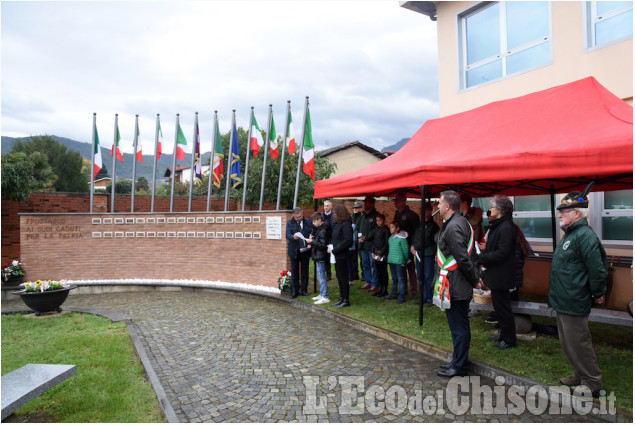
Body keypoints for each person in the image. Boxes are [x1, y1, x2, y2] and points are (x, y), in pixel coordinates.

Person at [549, 191, 607, 398]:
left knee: (579, 343)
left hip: (574, 299)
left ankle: (592, 384)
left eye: (564, 211)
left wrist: (599, 292)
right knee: (568, 343)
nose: (560, 215)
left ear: (578, 214)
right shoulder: (572, 234)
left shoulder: (584, 236)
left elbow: (597, 269)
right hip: (564, 299)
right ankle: (579, 374)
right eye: (561, 211)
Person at [435, 190, 480, 378]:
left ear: (447, 206)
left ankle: (460, 366)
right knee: (457, 327)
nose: (437, 206)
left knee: (459, 327)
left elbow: (462, 257)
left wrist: (475, 279)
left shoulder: (454, 226)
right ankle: (457, 360)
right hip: (455, 282)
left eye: (439, 203)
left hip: (457, 284)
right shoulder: (457, 222)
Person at [477, 195, 517, 349]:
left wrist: (482, 257)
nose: (489, 209)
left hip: (502, 274)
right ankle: (504, 334)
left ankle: (509, 340)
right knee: (499, 307)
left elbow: (502, 253)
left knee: (503, 308)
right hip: (496, 273)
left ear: (499, 210)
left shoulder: (506, 227)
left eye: (492, 206)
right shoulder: (498, 225)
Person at [460, 193, 484, 318]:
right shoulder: (459, 216)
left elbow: (474, 231)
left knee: (475, 276)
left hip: (474, 252)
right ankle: (468, 304)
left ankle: (476, 307)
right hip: (464, 251)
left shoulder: (474, 215)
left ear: (464, 202)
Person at [412, 202, 439, 306]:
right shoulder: (420, 224)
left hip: (428, 254)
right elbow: (415, 236)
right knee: (420, 275)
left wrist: (416, 246)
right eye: (421, 210)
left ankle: (430, 298)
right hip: (419, 254)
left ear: (430, 211)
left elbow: (426, 239)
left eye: (425, 210)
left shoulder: (433, 226)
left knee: (428, 276)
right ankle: (423, 296)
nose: (422, 212)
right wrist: (413, 245)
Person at [393, 193, 420, 298]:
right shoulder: (397, 214)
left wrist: (413, 245)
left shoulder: (411, 215)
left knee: (410, 268)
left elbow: (416, 232)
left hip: (408, 245)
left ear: (403, 201)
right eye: (395, 200)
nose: (395, 202)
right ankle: (403, 289)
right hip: (398, 246)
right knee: (401, 267)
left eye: (398, 200)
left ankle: (414, 291)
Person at [328, 204, 354, 308]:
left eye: (335, 213)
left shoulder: (346, 224)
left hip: (342, 254)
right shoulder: (338, 224)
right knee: (339, 277)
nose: (333, 214)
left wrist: (335, 249)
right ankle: (341, 297)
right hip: (337, 254)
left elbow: (348, 240)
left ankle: (346, 300)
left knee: (343, 278)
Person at [285, 207, 312, 298]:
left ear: (302, 213)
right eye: (296, 217)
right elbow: (287, 235)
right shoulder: (290, 223)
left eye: (300, 217)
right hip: (294, 251)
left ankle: (304, 290)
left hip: (305, 251)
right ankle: (294, 291)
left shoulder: (308, 222)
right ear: (293, 216)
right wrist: (293, 237)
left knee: (305, 271)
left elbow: (312, 233)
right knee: (294, 271)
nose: (298, 219)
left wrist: (310, 242)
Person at [307, 212, 330, 305]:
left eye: (314, 221)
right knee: (319, 276)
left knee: (321, 276)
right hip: (318, 255)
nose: (313, 223)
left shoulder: (323, 230)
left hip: (321, 256)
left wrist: (312, 242)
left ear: (319, 220)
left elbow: (323, 245)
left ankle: (325, 296)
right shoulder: (318, 229)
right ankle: (322, 293)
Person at [358, 195, 379, 292]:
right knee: (365, 265)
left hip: (371, 245)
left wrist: (367, 237)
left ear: (372, 203)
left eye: (367, 202)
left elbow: (376, 230)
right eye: (365, 202)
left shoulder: (376, 216)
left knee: (373, 265)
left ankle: (374, 284)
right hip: (362, 245)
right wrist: (358, 237)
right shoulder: (362, 216)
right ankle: (368, 282)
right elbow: (357, 228)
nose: (365, 204)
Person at [386, 221, 409, 304]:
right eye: (390, 227)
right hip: (391, 261)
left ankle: (402, 296)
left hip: (399, 262)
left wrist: (405, 259)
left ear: (397, 228)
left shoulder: (402, 239)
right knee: (394, 279)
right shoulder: (390, 238)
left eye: (392, 227)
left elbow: (406, 251)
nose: (390, 229)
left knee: (401, 279)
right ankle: (394, 294)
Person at [371, 213, 390, 297]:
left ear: (384, 220)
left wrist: (381, 254)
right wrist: (373, 251)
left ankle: (384, 289)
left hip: (382, 254)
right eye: (377, 220)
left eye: (380, 220)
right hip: (376, 252)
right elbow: (374, 241)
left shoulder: (386, 230)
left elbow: (386, 243)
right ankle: (379, 288)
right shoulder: (376, 229)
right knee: (378, 272)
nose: (378, 222)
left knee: (383, 272)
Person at [349, 201, 363, 284]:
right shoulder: (352, 217)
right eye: (354, 208)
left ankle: (363, 275)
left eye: (356, 208)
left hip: (360, 239)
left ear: (360, 208)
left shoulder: (361, 217)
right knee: (353, 258)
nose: (355, 209)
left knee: (361, 258)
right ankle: (355, 274)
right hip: (353, 239)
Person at [321, 200, 334, 280]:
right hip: (323, 238)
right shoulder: (321, 216)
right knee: (325, 257)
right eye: (325, 206)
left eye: (327, 206)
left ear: (331, 207)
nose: (326, 207)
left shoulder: (333, 215)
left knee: (332, 256)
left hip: (332, 238)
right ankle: (328, 274)